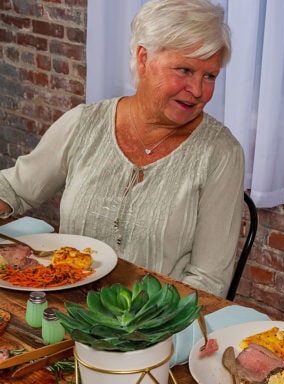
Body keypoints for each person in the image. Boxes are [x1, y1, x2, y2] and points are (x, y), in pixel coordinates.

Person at [0, 0, 244, 298]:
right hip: (62, 305)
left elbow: (209, 281)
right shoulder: (84, 124)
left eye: (210, 76)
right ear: (143, 59)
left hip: (154, 325)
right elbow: (14, 187)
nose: (198, 90)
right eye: (184, 70)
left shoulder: (220, 154)